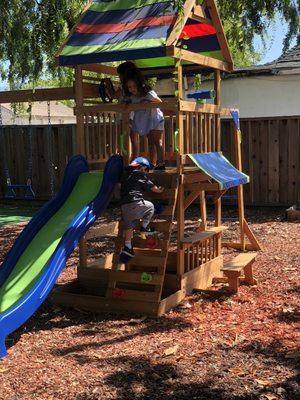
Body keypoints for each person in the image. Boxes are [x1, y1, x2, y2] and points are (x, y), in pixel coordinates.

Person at [119, 157, 164, 262]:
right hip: (135, 203)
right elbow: (152, 187)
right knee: (151, 207)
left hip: (124, 206)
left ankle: (128, 246)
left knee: (129, 225)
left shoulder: (125, 174)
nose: (147, 172)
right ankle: (144, 227)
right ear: (142, 167)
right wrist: (160, 190)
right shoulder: (139, 174)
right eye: (146, 169)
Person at [122, 69, 166, 170]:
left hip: (155, 119)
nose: (132, 89)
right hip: (146, 122)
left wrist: (148, 103)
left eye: (134, 86)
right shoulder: (132, 97)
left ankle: (161, 163)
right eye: (129, 87)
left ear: (139, 84)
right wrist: (125, 104)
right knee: (150, 142)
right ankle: (153, 163)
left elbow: (160, 102)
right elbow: (124, 102)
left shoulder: (148, 93)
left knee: (157, 141)